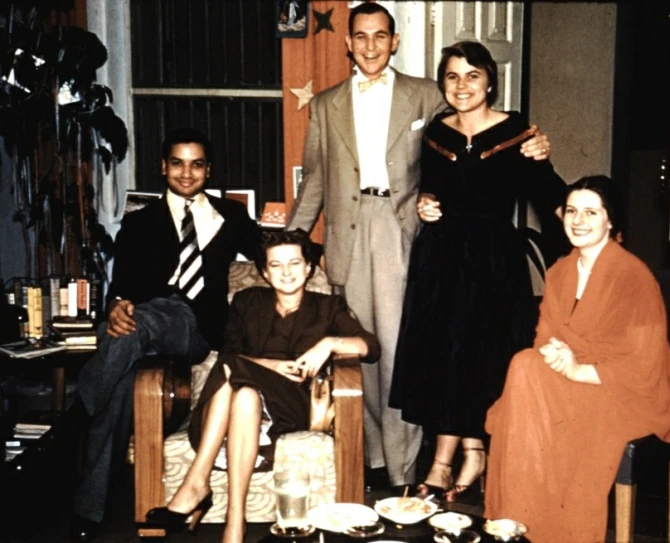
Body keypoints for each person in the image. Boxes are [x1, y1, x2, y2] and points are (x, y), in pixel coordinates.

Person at [287, 1, 551, 493]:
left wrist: (533, 145)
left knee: (400, 352)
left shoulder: (429, 94)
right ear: (347, 42)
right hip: (347, 232)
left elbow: (473, 144)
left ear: (395, 41)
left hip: (402, 228)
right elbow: (317, 182)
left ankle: (404, 468)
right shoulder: (324, 104)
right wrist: (294, 241)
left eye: (380, 36)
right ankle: (367, 458)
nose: (370, 46)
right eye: (360, 37)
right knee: (358, 353)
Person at [388, 40, 569, 503]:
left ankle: (458, 460)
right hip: (441, 259)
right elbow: (428, 190)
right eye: (452, 76)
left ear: (490, 79)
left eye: (472, 75)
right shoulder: (436, 134)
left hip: (491, 262)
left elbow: (550, 194)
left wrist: (590, 226)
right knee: (444, 357)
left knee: (480, 356)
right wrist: (426, 204)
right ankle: (455, 459)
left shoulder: (517, 134)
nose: (462, 85)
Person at [70, 128, 262, 542]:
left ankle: (75, 412)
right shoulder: (140, 223)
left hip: (196, 326)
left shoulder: (230, 215)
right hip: (144, 328)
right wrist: (117, 307)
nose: (186, 173)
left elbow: (271, 251)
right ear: (163, 167)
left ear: (208, 170)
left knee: (143, 321)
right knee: (120, 381)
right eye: (177, 163)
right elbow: (122, 288)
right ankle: (89, 509)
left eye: (196, 164)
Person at [484, 176, 670, 543]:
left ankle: (543, 530)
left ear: (610, 221)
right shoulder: (560, 270)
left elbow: (644, 366)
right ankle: (519, 523)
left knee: (527, 398)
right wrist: (557, 353)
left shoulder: (633, 276)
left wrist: (578, 368)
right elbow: (544, 338)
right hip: (571, 379)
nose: (578, 221)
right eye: (572, 211)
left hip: (627, 392)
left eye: (591, 212)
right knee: (524, 365)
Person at [144, 229, 380, 543]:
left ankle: (196, 482)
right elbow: (229, 350)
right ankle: (235, 523)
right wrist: (270, 365)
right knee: (244, 393)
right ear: (265, 273)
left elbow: (371, 348)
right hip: (239, 395)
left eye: (295, 263)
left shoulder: (329, 306)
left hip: (294, 401)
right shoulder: (247, 301)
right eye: (277, 265)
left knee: (232, 369)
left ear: (308, 267)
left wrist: (328, 343)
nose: (287, 272)